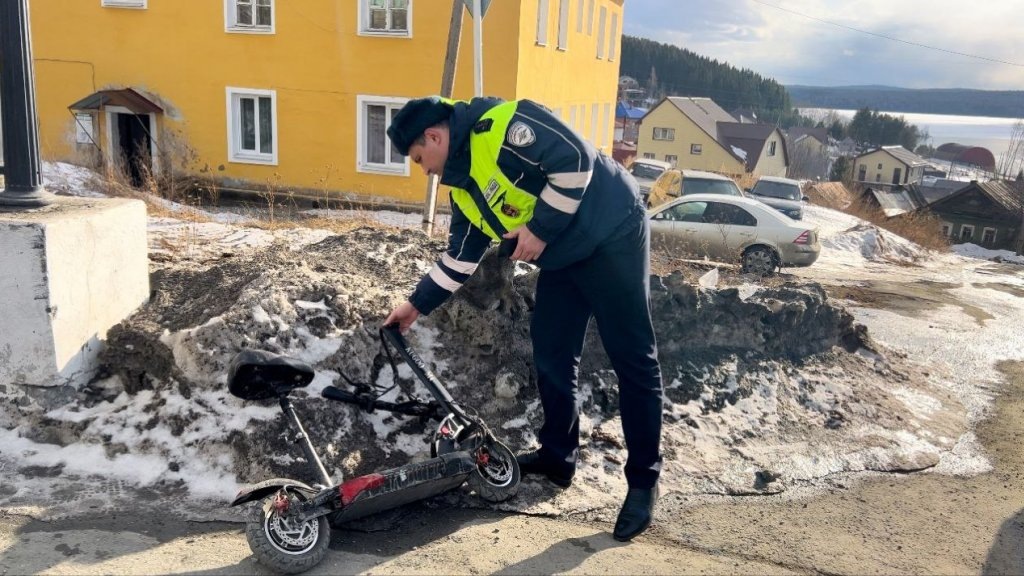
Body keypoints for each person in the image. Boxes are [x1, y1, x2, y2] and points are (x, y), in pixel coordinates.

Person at [383, 95, 663, 542]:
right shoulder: (465, 189)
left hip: (611, 233)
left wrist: (538, 229)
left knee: (632, 359)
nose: (424, 171)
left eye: (419, 159)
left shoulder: (502, 126)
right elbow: (460, 258)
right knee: (552, 354)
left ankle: (644, 483)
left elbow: (575, 161)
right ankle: (558, 458)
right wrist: (414, 306)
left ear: (434, 137)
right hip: (564, 255)